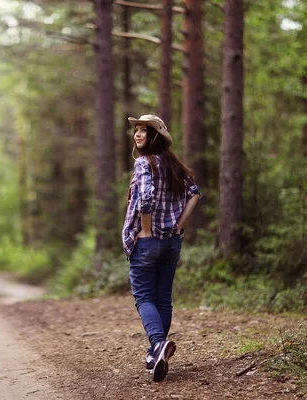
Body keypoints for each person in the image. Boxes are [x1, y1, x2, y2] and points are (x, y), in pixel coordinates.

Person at [122, 114, 201, 382]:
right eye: (137, 130)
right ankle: (154, 353)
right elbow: (195, 194)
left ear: (156, 137)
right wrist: (179, 225)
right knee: (163, 298)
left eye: (145, 130)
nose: (138, 134)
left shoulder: (144, 163)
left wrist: (144, 229)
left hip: (147, 241)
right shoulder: (175, 166)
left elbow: (145, 198)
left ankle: (157, 344)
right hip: (171, 242)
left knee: (144, 297)